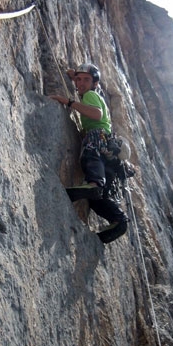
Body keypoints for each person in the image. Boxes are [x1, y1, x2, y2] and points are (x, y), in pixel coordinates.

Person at [50, 63, 129, 243]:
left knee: (89, 157)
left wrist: (68, 102)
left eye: (86, 80)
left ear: (94, 83)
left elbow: (96, 114)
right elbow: (82, 81)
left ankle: (94, 184)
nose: (81, 83)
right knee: (96, 200)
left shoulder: (90, 95)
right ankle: (118, 220)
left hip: (97, 136)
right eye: (78, 80)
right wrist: (73, 75)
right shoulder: (90, 91)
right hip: (108, 156)